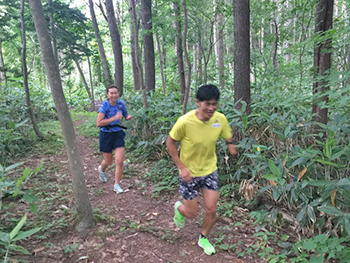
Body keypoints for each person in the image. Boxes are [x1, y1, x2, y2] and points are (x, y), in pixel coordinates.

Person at [166, 84, 237, 255]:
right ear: (198, 102)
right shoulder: (185, 121)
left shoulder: (220, 119)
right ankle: (179, 208)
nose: (212, 108)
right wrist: (181, 167)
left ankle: (203, 238)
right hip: (189, 173)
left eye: (215, 104)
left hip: (209, 170)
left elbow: (227, 134)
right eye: (208, 104)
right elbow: (170, 143)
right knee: (191, 213)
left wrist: (230, 145)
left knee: (212, 209)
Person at [96, 85, 133, 193]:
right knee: (108, 161)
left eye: (115, 93)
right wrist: (114, 118)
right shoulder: (105, 105)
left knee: (119, 161)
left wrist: (128, 117)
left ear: (118, 94)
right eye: (111, 93)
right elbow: (99, 123)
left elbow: (125, 115)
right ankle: (101, 169)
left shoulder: (121, 104)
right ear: (107, 94)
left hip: (118, 133)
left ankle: (117, 185)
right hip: (106, 134)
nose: (113, 95)